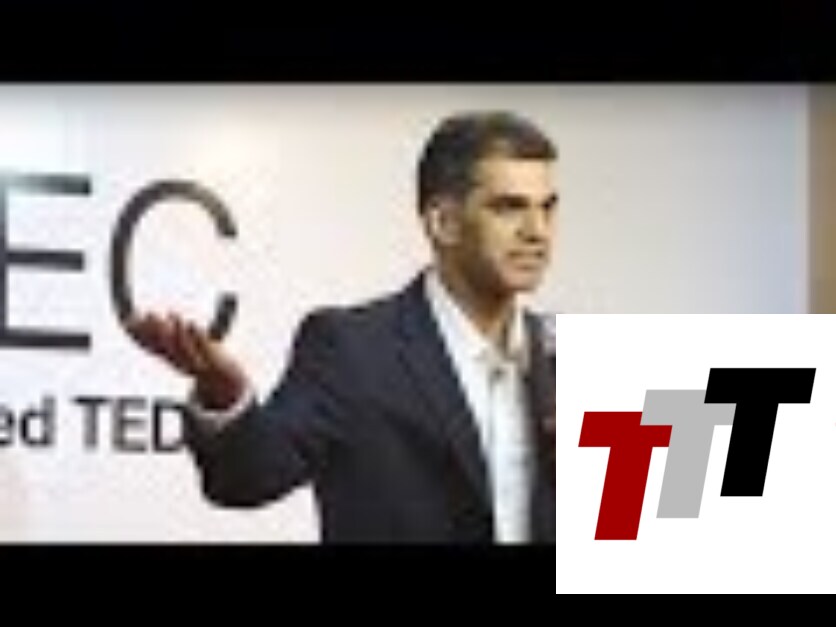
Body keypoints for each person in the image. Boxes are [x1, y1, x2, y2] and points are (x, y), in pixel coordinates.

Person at [128, 110, 558, 544]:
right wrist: (224, 397)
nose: (538, 231)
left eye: (547, 208)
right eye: (509, 208)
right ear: (443, 222)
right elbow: (250, 476)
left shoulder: (578, 363)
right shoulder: (353, 350)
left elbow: (603, 537)